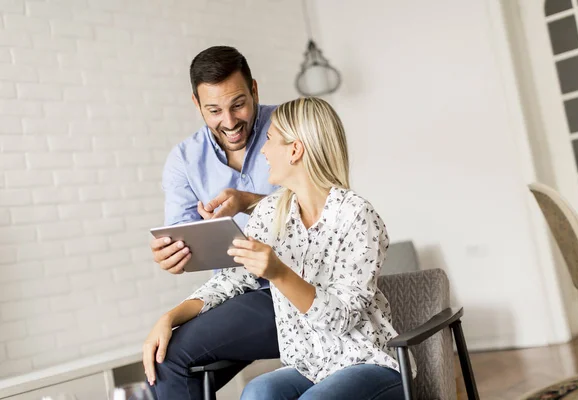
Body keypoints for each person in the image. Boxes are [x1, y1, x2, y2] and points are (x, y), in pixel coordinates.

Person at [172, 97, 415, 399]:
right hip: (308, 368)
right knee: (257, 393)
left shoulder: (356, 216)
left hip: (368, 362)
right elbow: (232, 280)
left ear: (295, 150)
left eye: (270, 140)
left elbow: (342, 319)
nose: (262, 150)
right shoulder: (269, 213)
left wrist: (278, 272)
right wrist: (170, 318)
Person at [143, 46, 280, 399]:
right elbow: (183, 241)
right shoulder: (184, 160)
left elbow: (328, 209)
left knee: (172, 357)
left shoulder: (289, 128)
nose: (230, 121)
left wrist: (249, 202)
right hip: (234, 293)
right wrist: (172, 256)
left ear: (255, 89)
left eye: (238, 104)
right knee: (164, 360)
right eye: (214, 110)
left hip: (293, 288)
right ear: (196, 104)